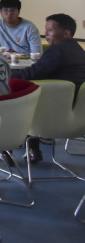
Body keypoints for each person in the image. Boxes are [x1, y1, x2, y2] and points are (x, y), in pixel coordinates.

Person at [12, 13, 85, 163]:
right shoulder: (79, 50)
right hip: (76, 117)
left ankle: (7, 148)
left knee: (15, 96)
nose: (45, 33)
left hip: (51, 115)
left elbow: (33, 73)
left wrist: (6, 76)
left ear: (66, 33)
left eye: (50, 30)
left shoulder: (58, 50)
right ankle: (32, 148)